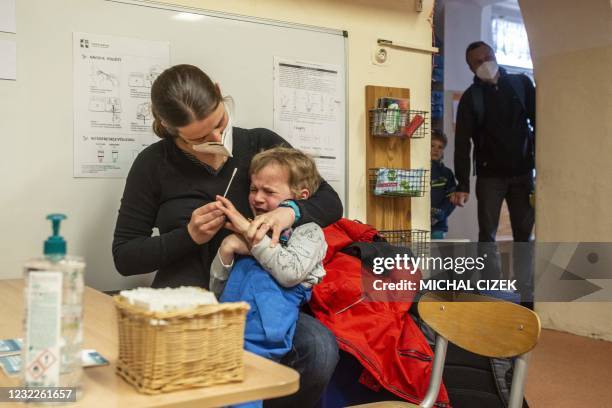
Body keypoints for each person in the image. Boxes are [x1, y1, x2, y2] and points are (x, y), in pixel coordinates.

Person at [112, 64, 341, 407]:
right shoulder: (152, 164)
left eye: (220, 123)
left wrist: (288, 210)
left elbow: (329, 202)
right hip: (189, 298)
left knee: (319, 350)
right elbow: (125, 256)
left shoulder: (260, 143)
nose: (217, 140)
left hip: (262, 299)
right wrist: (188, 236)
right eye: (199, 138)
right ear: (170, 129)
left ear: (220, 93)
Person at [211, 147, 327, 408]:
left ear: (300, 197)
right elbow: (217, 288)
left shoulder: (309, 232)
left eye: (269, 192)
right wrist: (227, 250)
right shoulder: (256, 224)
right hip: (223, 331)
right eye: (254, 189)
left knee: (245, 396)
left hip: (260, 340)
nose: (258, 198)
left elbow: (289, 273)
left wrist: (249, 239)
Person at [451, 41, 535, 307]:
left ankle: (526, 294)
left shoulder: (521, 84)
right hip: (489, 178)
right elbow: (463, 143)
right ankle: (492, 290)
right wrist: (462, 182)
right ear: (470, 67)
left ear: (495, 55)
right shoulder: (470, 98)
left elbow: (540, 123)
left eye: (488, 56)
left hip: (523, 174)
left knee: (525, 234)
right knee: (487, 234)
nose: (485, 62)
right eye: (478, 61)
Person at [430, 130, 456, 239]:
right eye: (432, 145)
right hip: (417, 224)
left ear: (443, 151)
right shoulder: (419, 170)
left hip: (438, 226)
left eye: (440, 147)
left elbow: (452, 199)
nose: (436, 149)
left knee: (435, 254)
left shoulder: (447, 173)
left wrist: (442, 212)